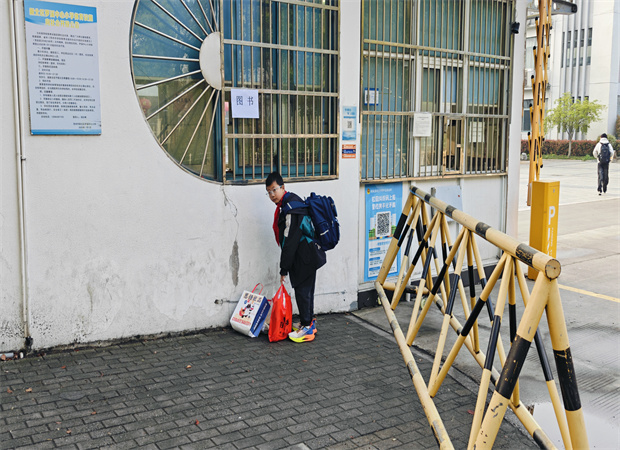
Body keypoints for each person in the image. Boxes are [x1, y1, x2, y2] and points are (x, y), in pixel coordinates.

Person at [266, 172, 326, 343]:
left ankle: (306, 328)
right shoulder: (291, 202)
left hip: (304, 256)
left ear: (282, 187)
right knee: (307, 290)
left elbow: (290, 241)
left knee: (302, 291)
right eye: (268, 192)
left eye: (274, 190)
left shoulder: (291, 209)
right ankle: (309, 323)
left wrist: (283, 269)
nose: (272, 195)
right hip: (308, 253)